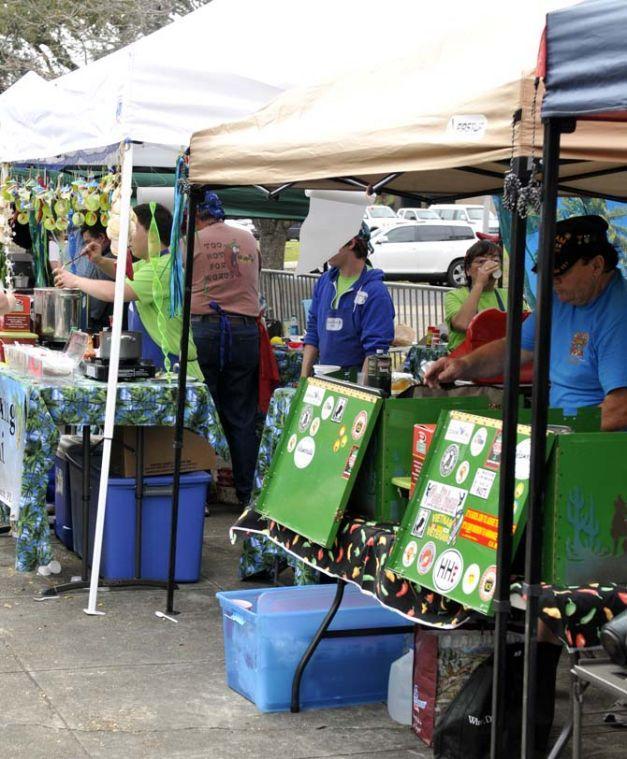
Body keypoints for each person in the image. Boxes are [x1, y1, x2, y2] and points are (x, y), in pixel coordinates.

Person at [426, 215, 627, 431]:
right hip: (562, 430)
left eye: (560, 275)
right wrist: (462, 365)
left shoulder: (619, 315)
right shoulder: (560, 299)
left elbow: (621, 408)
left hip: (598, 445)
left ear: (596, 266)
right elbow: (514, 348)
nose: (552, 283)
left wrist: (557, 442)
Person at [54, 202, 202, 379]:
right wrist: (99, 260)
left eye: (134, 228)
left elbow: (116, 292)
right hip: (156, 367)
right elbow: (123, 272)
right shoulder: (150, 263)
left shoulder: (164, 267)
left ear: (152, 232)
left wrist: (75, 280)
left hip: (174, 369)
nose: (129, 236)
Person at [190, 191, 261, 507]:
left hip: (206, 327)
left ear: (198, 214)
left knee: (202, 412)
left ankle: (201, 494)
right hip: (245, 330)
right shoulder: (248, 240)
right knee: (241, 415)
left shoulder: (192, 241)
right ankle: (247, 495)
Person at [301, 224, 395, 377]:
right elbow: (312, 332)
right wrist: (303, 380)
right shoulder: (325, 282)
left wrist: (362, 396)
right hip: (324, 381)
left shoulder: (375, 292)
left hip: (356, 383)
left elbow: (375, 352)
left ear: (351, 243)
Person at [444, 240, 507, 351]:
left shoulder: (508, 296)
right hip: (464, 362)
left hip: (498, 360)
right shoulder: (455, 295)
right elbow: (463, 324)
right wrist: (479, 284)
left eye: (495, 260)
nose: (489, 265)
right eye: (481, 261)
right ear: (468, 270)